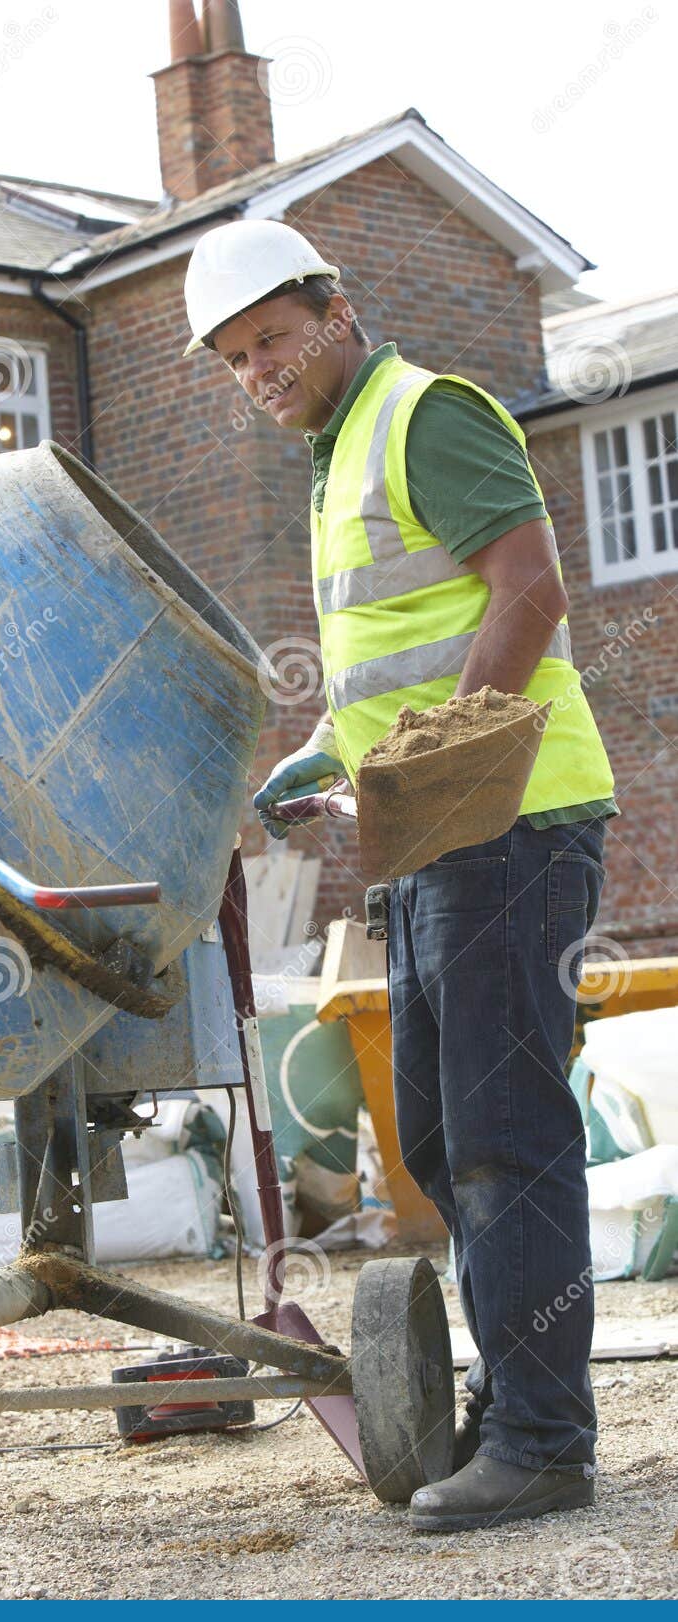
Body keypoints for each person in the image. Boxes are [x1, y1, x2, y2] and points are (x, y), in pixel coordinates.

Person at [182, 218, 617, 1532]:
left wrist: (438, 765)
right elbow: (393, 663)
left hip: (512, 816)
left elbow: (530, 593)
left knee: (501, 1135)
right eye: (235, 359)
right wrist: (321, 751)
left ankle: (545, 1437)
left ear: (335, 306)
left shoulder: (426, 415)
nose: (260, 370)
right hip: (441, 829)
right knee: (434, 1134)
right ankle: (520, 1399)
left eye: (272, 338)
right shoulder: (336, 460)